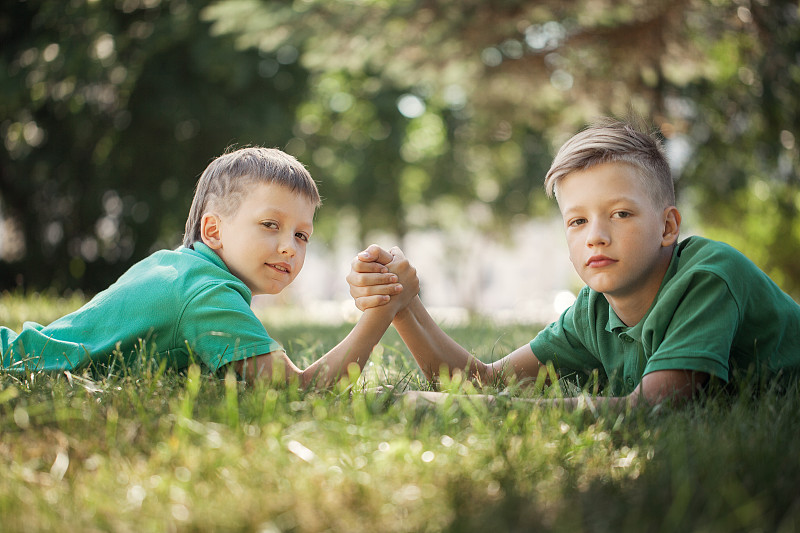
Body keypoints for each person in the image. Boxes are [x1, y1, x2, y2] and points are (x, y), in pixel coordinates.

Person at [348, 118, 800, 407]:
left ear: (667, 227)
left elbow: (654, 409)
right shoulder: (594, 311)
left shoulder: (708, 275)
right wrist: (403, 305)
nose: (596, 235)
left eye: (620, 214)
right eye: (577, 221)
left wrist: (492, 411)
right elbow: (482, 383)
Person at [1, 147, 417, 387]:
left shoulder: (181, 269)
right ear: (213, 231)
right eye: (270, 224)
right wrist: (380, 312)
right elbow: (295, 391)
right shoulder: (207, 295)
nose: (288, 247)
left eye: (301, 235)